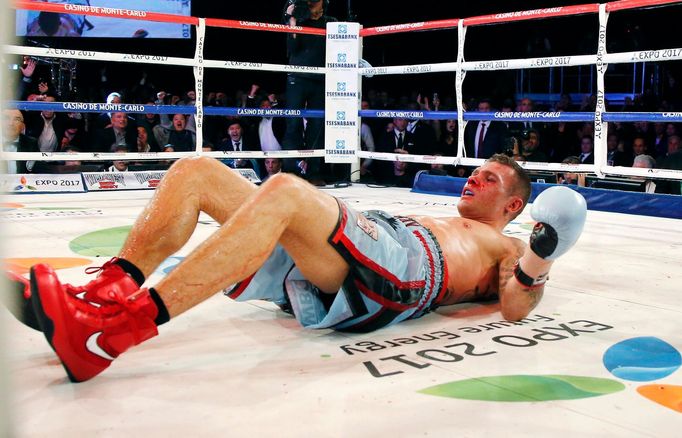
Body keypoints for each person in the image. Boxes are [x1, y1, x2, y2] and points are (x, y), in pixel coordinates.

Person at [12, 154, 587, 384]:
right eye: (475, 172)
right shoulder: (439, 216)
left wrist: (541, 254)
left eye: (489, 180)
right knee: (195, 172)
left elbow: (516, 306)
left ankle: (109, 335)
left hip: (408, 268)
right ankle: (105, 295)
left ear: (515, 205)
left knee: (286, 190)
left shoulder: (506, 246)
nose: (473, 180)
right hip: (369, 247)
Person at [281, 0, 337, 184]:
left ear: (323, 4)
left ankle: (314, 172)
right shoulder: (297, 19)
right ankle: (290, 171)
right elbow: (291, 48)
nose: (311, 4)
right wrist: (292, 21)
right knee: (293, 123)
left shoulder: (331, 22)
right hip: (297, 76)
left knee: (317, 125)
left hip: (321, 78)